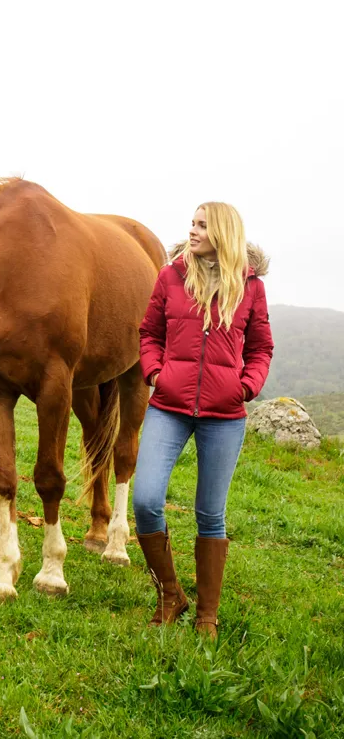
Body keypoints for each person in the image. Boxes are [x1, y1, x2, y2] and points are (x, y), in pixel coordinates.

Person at [133, 201, 273, 638]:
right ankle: (169, 594)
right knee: (145, 500)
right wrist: (155, 373)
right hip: (169, 408)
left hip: (224, 415)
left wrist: (246, 386)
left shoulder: (250, 288)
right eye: (191, 224)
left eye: (201, 225)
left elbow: (262, 347)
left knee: (211, 515)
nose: (191, 231)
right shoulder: (171, 276)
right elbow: (149, 333)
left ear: (223, 233)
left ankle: (207, 616)